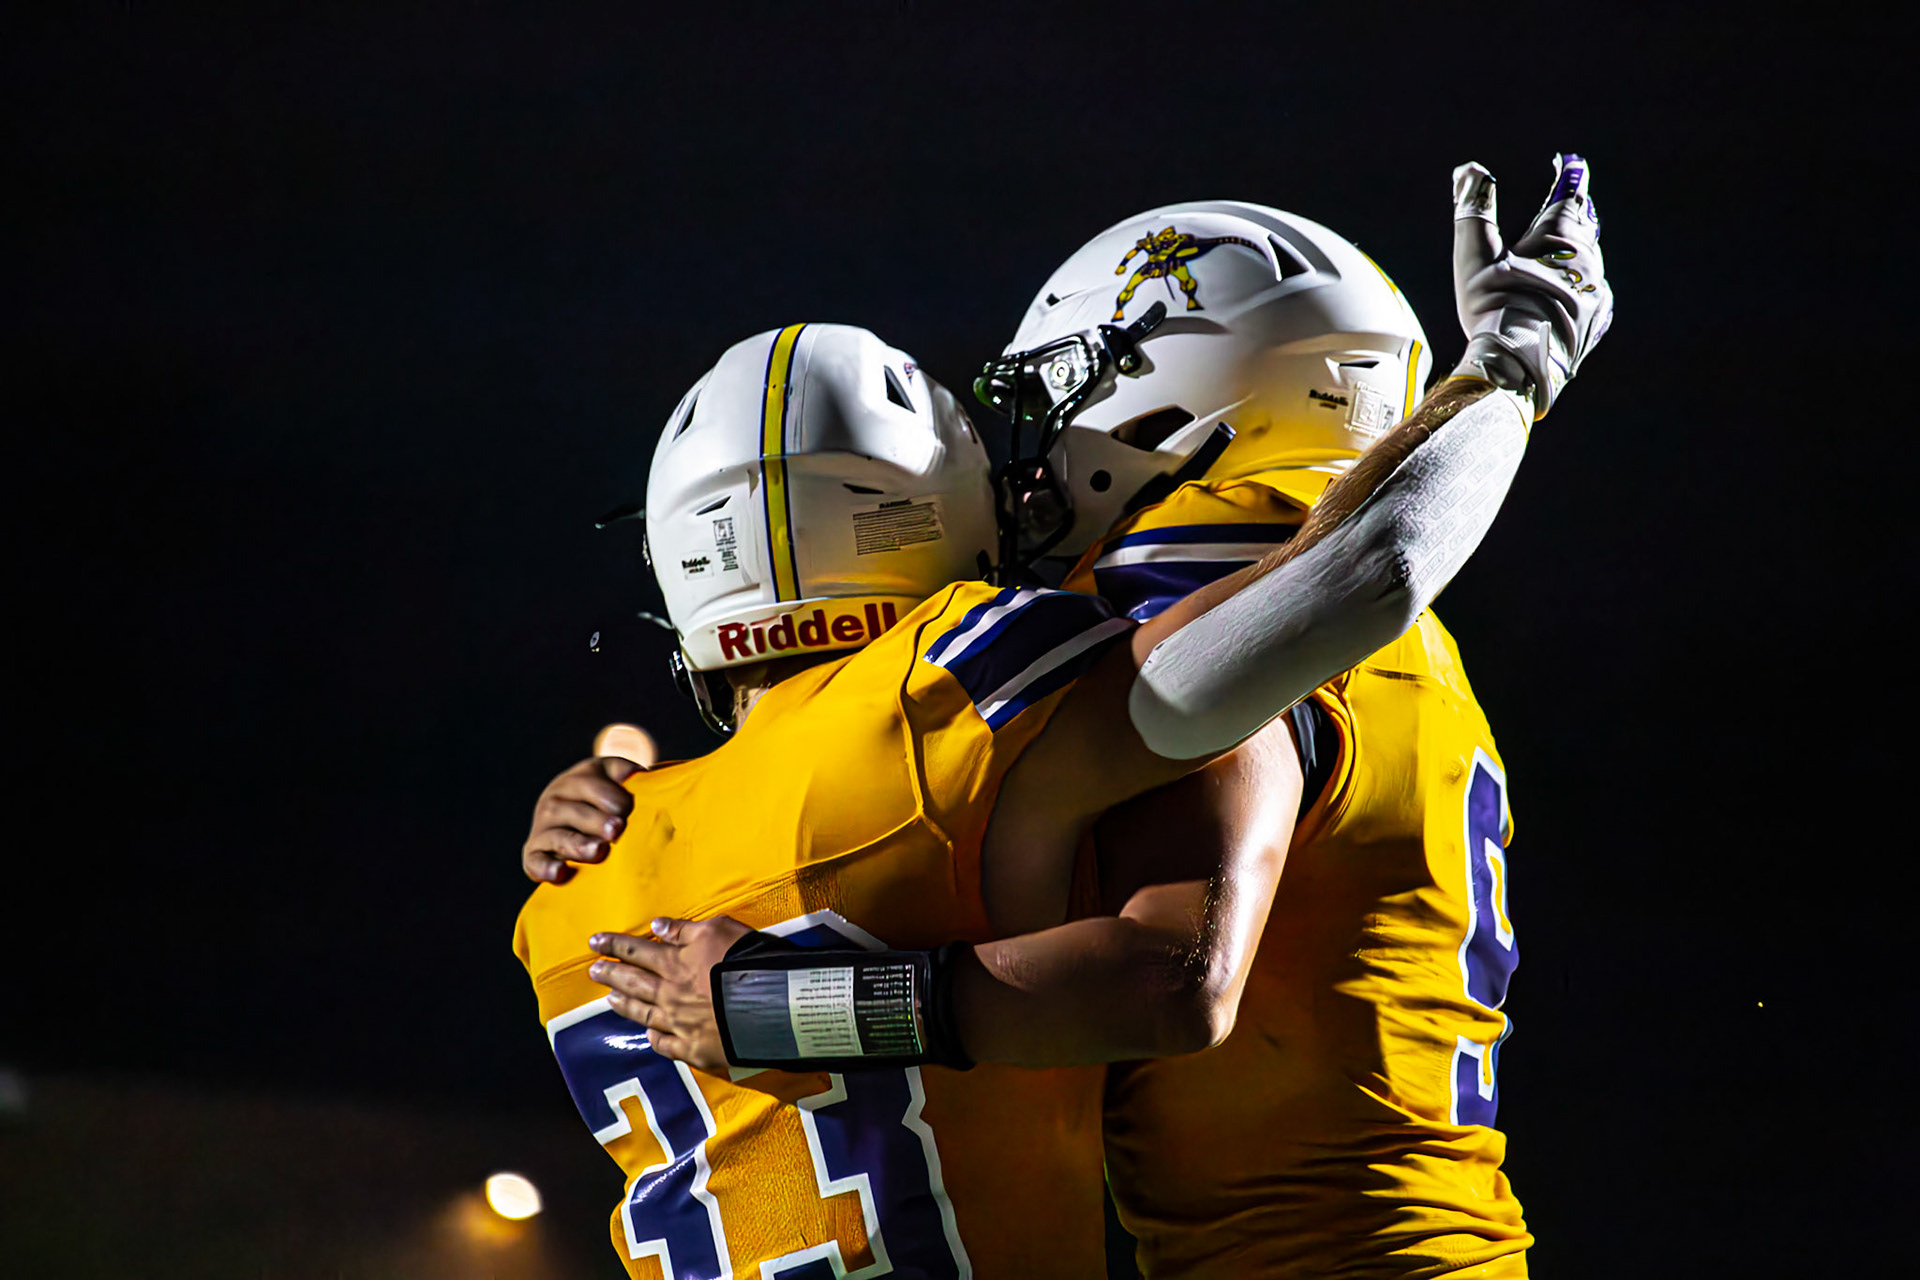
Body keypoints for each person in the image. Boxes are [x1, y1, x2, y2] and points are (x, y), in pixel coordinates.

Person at [521, 156, 1607, 1278]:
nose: (1035, 452)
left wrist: (779, 999)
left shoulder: (1219, 620)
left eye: (1067, 388)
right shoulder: (1368, 639)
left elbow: (1174, 976)